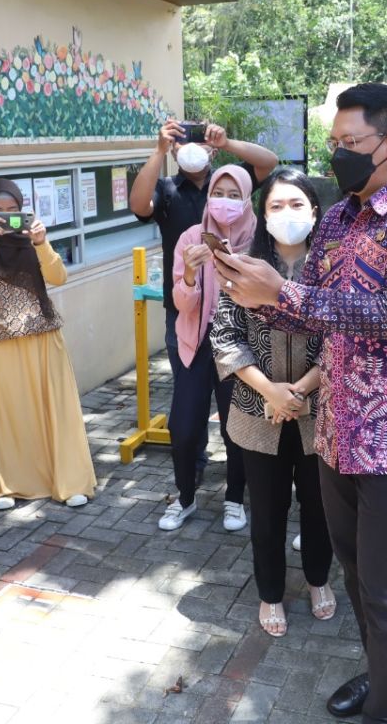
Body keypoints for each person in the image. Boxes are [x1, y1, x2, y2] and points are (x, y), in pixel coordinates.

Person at [211, 83, 387, 723]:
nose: (339, 156)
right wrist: (251, 294)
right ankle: (384, 675)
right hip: (338, 434)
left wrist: (286, 295)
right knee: (358, 579)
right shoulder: (340, 218)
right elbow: (315, 322)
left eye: (350, 144)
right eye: (334, 144)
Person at [210, 168, 335, 637]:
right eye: (276, 206)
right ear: (262, 216)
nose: (287, 214)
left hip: (318, 412)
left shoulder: (334, 269)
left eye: (296, 204)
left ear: (314, 211)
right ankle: (270, 593)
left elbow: (342, 339)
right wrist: (272, 391)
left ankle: (319, 580)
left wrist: (301, 390)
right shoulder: (239, 266)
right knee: (266, 511)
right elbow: (223, 338)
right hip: (256, 412)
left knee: (320, 509)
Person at [129, 118, 277, 504]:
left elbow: (268, 162)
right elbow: (137, 205)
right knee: (188, 411)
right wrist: (160, 151)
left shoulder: (233, 183)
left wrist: (229, 142)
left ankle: (235, 494)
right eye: (181, 144)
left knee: (236, 412)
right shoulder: (167, 189)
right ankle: (189, 480)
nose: (223, 200)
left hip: (239, 323)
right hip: (186, 315)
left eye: (198, 143)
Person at [0, 179, 96, 511]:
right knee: (9, 415)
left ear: (22, 211)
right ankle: (10, 487)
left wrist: (43, 244)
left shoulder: (34, 241)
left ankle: (69, 480)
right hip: (0, 343)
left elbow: (59, 277)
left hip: (44, 338)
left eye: (11, 211)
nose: (4, 218)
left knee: (56, 410)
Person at [159, 164, 256, 532]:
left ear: (247, 200)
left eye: (234, 196)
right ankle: (184, 497)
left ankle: (234, 498)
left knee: (237, 430)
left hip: (242, 346)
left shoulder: (257, 238)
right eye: (219, 193)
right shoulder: (191, 237)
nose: (224, 202)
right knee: (183, 427)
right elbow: (182, 305)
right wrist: (187, 273)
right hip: (196, 343)